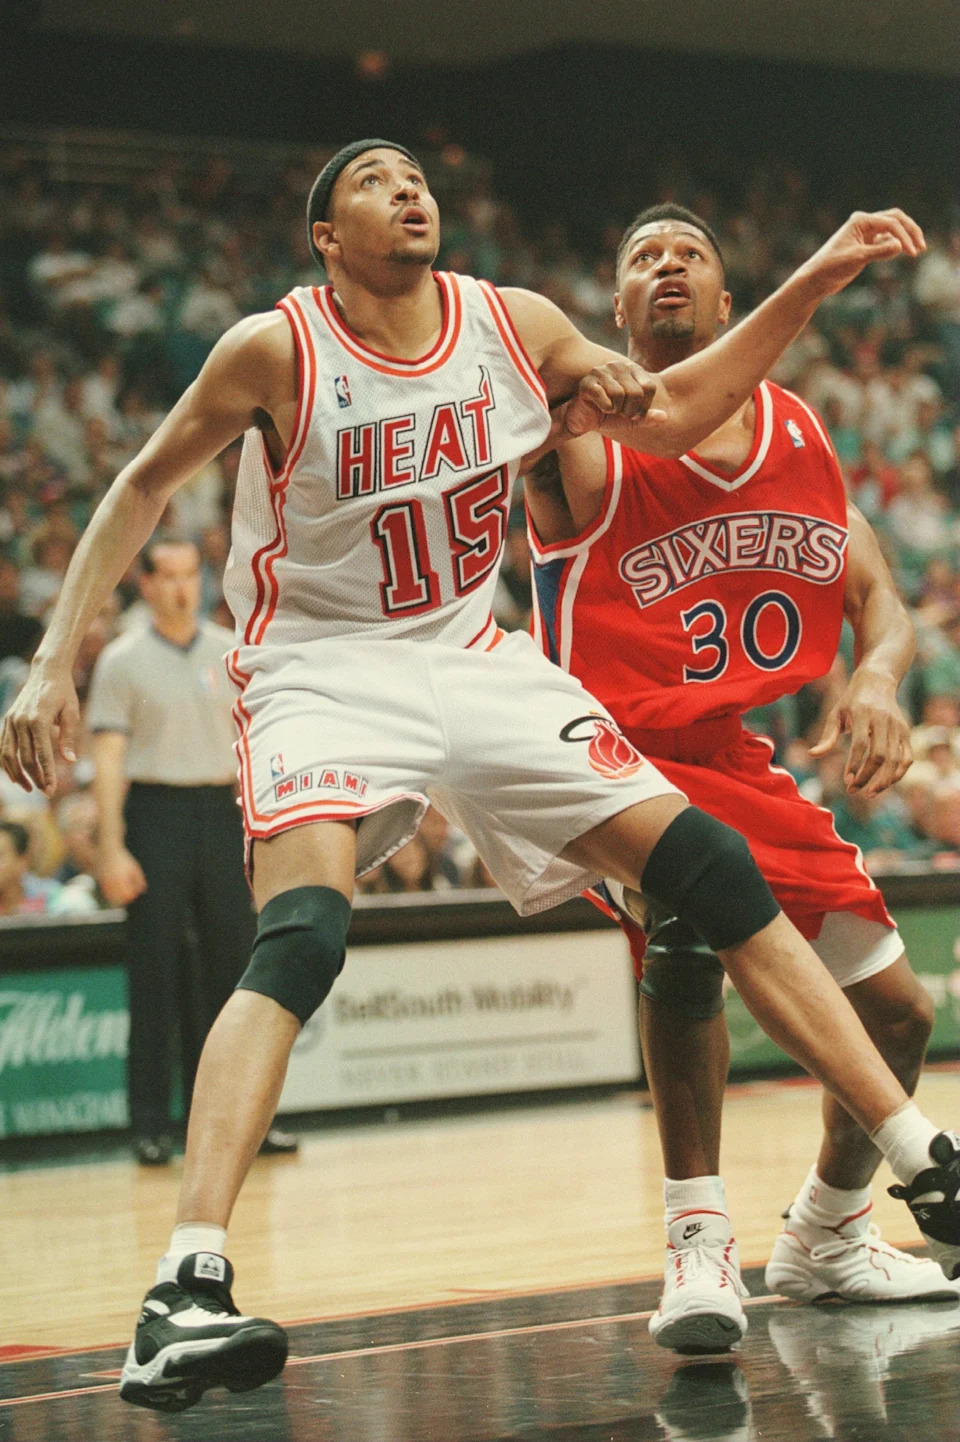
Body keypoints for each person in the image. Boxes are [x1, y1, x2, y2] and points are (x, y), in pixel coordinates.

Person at [1, 141, 956, 1414]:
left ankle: (919, 1151)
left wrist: (821, 274)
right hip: (318, 669)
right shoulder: (272, 348)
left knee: (708, 868)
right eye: (373, 177)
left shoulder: (515, 324)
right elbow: (138, 485)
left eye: (417, 174)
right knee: (300, 935)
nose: (408, 187)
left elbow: (676, 409)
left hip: (473, 652)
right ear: (326, 236)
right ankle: (183, 1283)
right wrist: (55, 656)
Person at [524, 202, 960, 1355]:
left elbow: (881, 595)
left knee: (900, 1012)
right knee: (685, 928)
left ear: (725, 302)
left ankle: (826, 1232)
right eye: (641, 258)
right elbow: (639, 420)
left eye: (692, 256)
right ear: (616, 311)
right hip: (607, 756)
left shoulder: (800, 432)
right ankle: (696, 1236)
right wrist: (819, 274)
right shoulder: (574, 430)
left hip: (733, 754)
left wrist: (873, 678)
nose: (666, 267)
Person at [87, 538, 298, 1164]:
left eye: (190, 574)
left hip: (225, 814)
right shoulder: (122, 661)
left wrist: (270, 831)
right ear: (146, 585)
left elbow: (258, 748)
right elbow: (107, 759)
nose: (182, 587)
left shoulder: (229, 652)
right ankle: (151, 1125)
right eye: (168, 576)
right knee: (154, 975)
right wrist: (111, 847)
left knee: (239, 977)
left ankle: (242, 1126)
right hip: (154, 814)